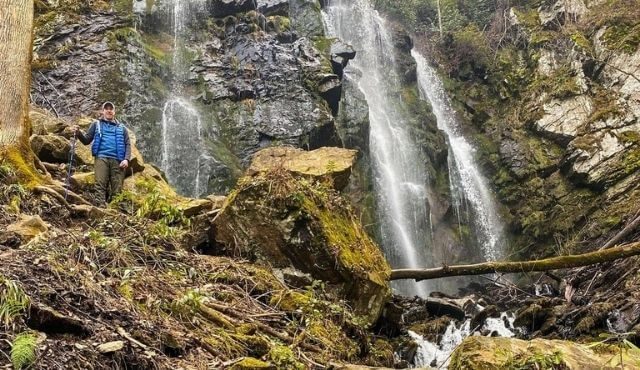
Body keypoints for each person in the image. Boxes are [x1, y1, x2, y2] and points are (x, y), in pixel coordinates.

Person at [72, 102, 131, 206]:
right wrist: (78, 133)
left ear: (114, 111)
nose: (109, 110)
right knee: (100, 184)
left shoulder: (122, 128)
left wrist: (126, 159)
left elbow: (128, 144)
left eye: (111, 109)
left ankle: (115, 210)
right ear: (103, 111)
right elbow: (86, 140)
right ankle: (100, 208)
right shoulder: (96, 124)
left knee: (117, 188)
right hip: (101, 157)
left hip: (118, 160)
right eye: (106, 108)